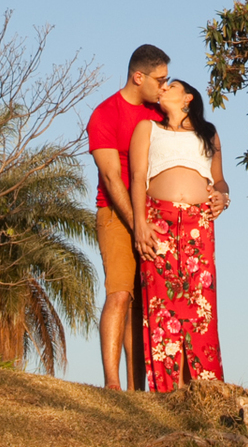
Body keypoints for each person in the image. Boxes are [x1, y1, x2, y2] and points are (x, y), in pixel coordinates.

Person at [129, 77, 229, 391]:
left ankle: (205, 389)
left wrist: (224, 198)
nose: (163, 88)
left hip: (199, 222)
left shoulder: (208, 133)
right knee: (161, 303)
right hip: (158, 217)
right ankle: (167, 391)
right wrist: (139, 225)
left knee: (200, 304)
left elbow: (220, 180)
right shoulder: (147, 128)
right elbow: (136, 177)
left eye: (170, 86)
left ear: (187, 98)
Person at [86, 43, 169, 390]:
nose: (164, 87)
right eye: (159, 80)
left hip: (157, 215)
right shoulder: (105, 114)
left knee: (147, 302)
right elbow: (110, 177)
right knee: (120, 293)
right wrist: (137, 225)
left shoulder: (161, 114)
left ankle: (139, 388)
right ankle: (112, 384)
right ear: (138, 77)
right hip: (116, 214)